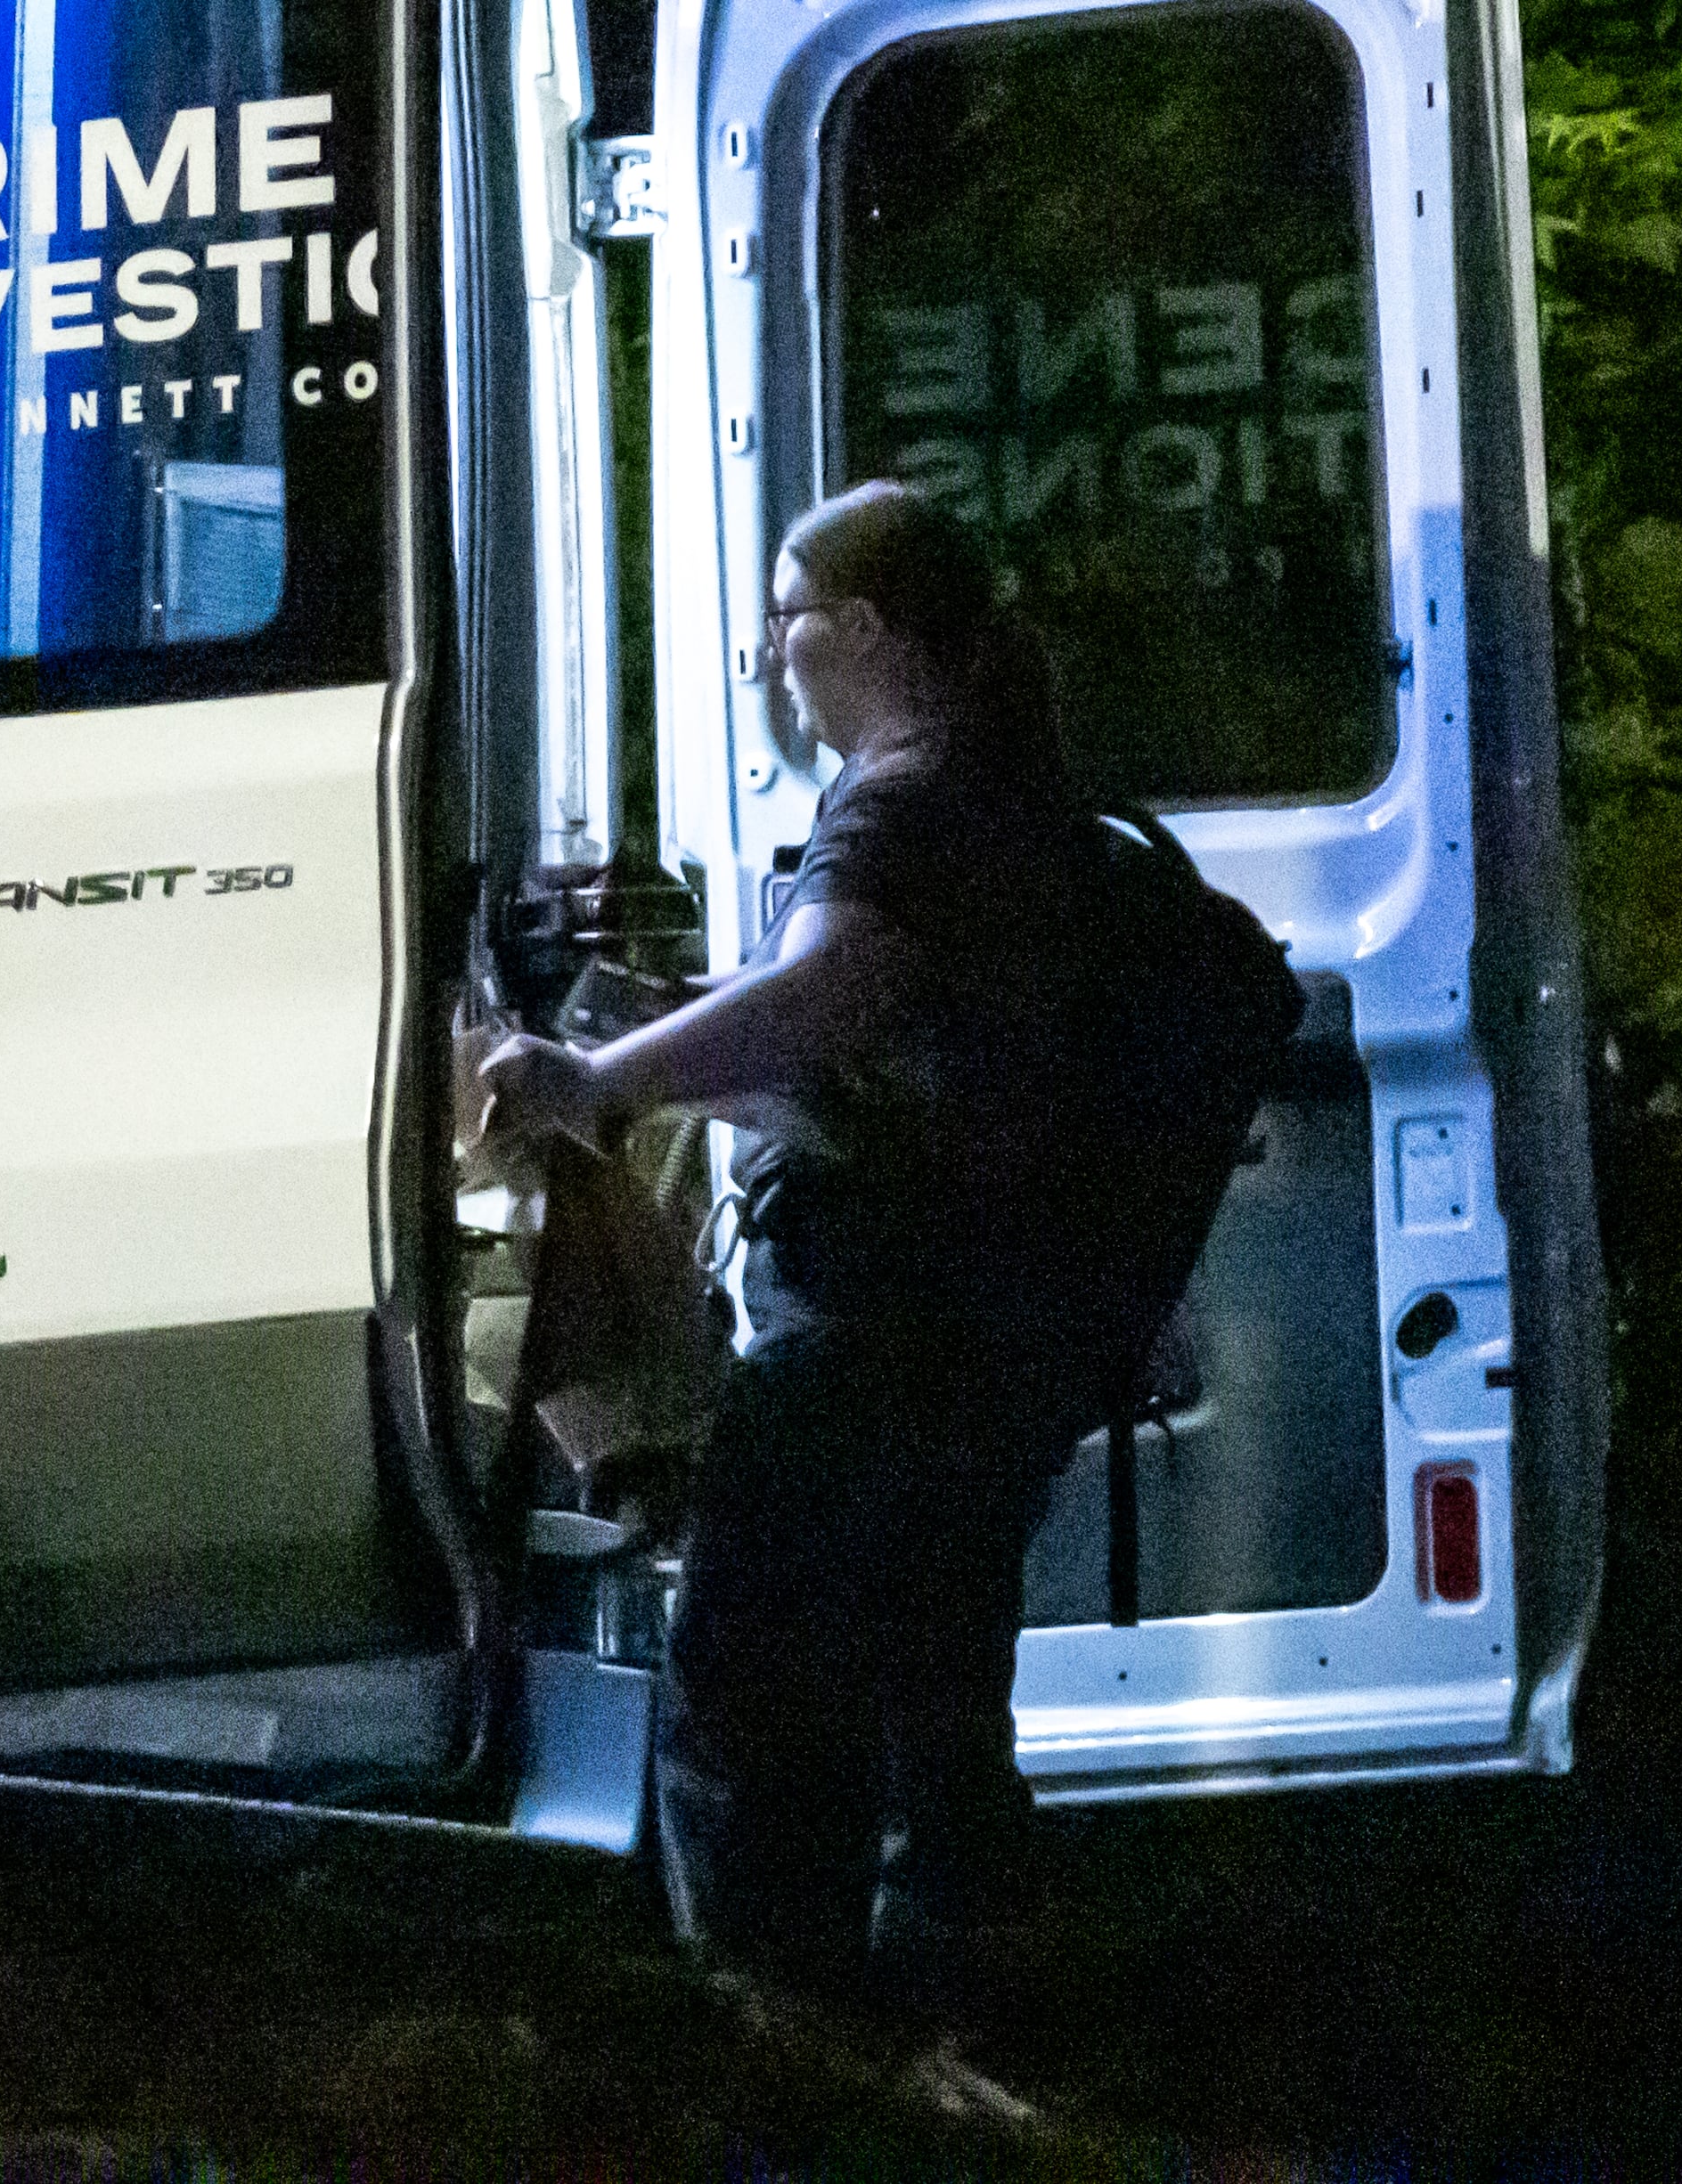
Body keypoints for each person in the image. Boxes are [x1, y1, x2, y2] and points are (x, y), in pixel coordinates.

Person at [479, 480, 1095, 2058]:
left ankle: (776, 2052)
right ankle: (977, 2039)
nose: (770, 658)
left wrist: (598, 1082)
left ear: (865, 631)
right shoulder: (1011, 783)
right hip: (1002, 1307)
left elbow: (829, 995)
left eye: (785, 624)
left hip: (889, 1318)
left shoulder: (905, 795)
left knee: (749, 1691)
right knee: (933, 1699)